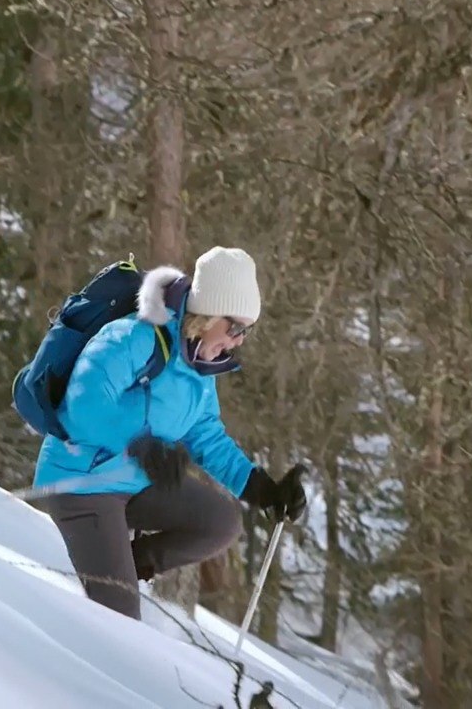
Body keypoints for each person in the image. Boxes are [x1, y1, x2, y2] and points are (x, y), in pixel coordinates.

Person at [33, 246, 308, 620]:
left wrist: (262, 488)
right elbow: (83, 405)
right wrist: (140, 446)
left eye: (247, 331)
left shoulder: (198, 365)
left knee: (222, 522)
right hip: (83, 483)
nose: (239, 340)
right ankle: (108, 587)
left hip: (135, 484)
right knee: (121, 618)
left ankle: (128, 564)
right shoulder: (133, 337)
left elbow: (206, 435)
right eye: (236, 327)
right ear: (208, 313)